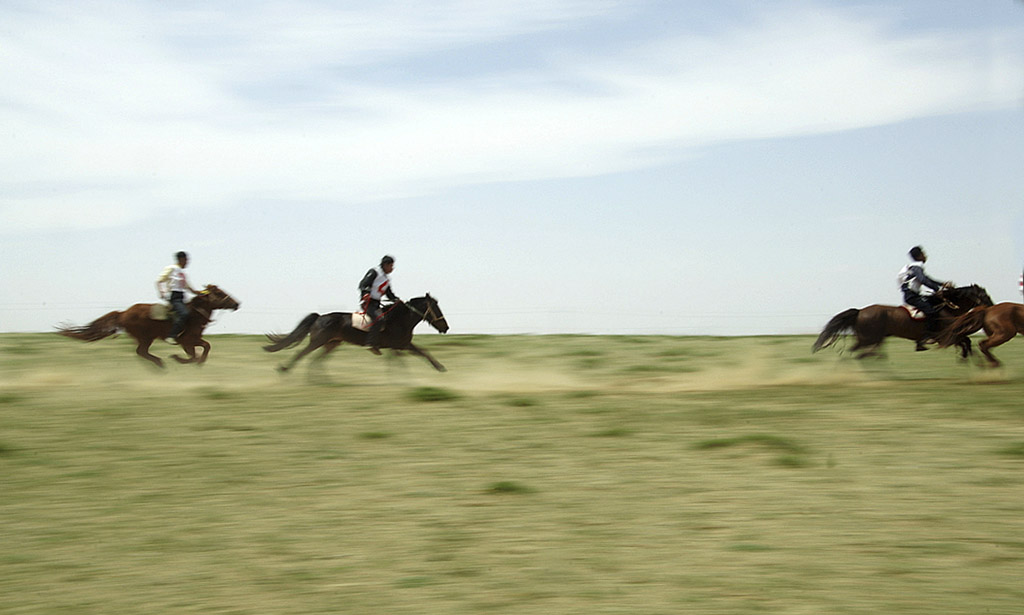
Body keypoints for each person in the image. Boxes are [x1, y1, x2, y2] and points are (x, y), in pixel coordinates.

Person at [897, 246, 950, 350]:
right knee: (932, 312)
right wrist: (937, 289)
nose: (926, 255)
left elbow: (926, 279)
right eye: (924, 253)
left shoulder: (913, 267)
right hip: (912, 296)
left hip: (912, 295)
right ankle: (927, 337)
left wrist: (941, 284)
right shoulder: (917, 266)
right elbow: (923, 280)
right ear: (920, 256)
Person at [358, 255, 400, 355]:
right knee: (379, 319)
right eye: (391, 266)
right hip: (368, 303)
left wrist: (396, 300)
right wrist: (365, 293)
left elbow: (389, 294)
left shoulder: (386, 279)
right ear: (385, 265)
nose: (392, 268)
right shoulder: (374, 272)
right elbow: (363, 284)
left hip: (376, 304)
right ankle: (371, 343)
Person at [156, 251, 201, 343]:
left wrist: (200, 293)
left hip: (182, 296)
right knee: (184, 314)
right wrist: (161, 291)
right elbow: (159, 280)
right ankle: (171, 335)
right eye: (186, 260)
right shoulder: (171, 269)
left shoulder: (182, 273)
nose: (187, 262)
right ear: (181, 259)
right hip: (174, 296)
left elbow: (188, 287)